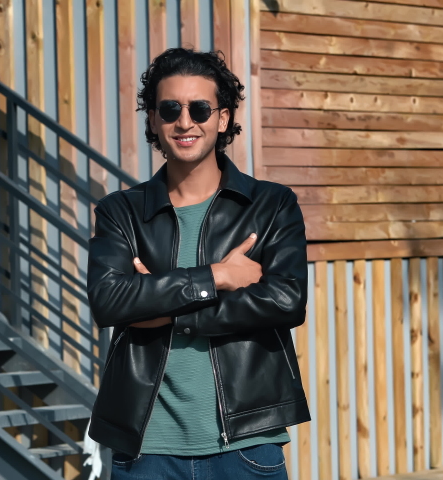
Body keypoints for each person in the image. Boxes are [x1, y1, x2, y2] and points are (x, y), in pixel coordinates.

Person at [86, 48, 310, 479]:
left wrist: (158, 304)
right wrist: (218, 277)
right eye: (169, 109)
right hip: (147, 449)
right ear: (153, 120)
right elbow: (110, 302)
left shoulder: (270, 205)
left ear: (223, 118)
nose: (184, 122)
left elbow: (286, 301)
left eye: (200, 108)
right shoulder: (120, 212)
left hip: (246, 446)